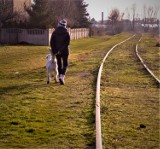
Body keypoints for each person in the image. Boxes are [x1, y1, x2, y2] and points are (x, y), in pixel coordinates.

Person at [50, 19, 70, 85]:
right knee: (65, 64)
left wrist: (56, 50)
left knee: (59, 64)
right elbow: (67, 43)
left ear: (59, 24)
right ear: (65, 26)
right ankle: (62, 76)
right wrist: (61, 50)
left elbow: (52, 42)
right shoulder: (66, 33)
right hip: (65, 51)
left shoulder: (54, 32)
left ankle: (60, 77)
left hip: (57, 52)